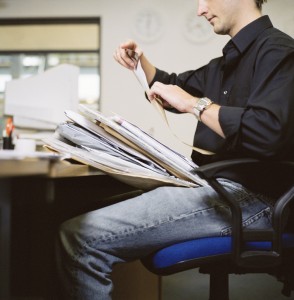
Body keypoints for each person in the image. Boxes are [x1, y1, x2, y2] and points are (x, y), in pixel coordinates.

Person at [56, 0, 294, 299]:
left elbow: (267, 131)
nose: (200, 9)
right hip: (218, 189)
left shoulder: (279, 51)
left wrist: (196, 105)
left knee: (80, 237)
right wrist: (141, 64)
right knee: (76, 213)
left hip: (251, 199)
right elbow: (171, 87)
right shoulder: (226, 63)